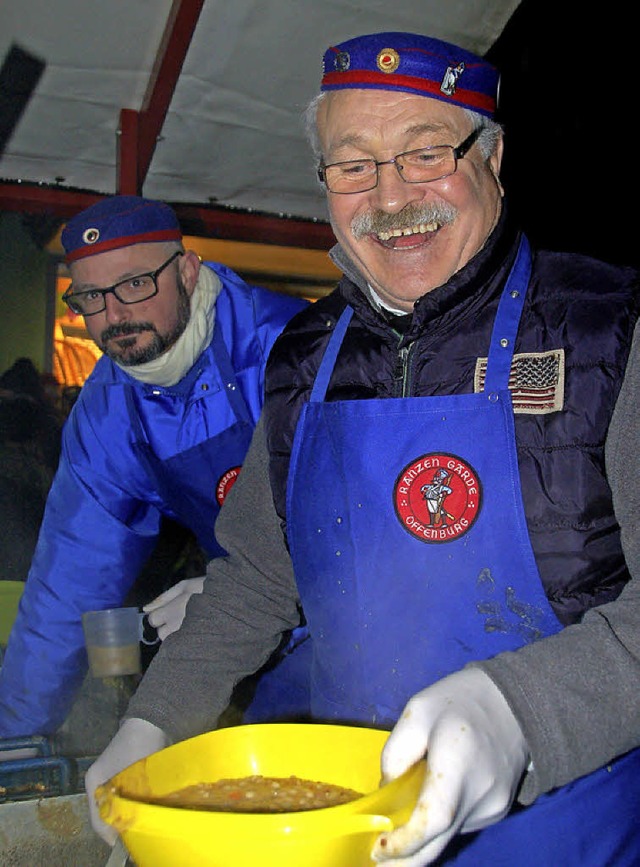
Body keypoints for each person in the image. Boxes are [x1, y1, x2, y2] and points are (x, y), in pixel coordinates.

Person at [86, 33, 640, 864]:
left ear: (492, 154)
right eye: (353, 166)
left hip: (569, 831)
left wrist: (521, 711)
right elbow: (253, 583)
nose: (390, 196)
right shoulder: (304, 359)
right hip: (345, 831)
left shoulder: (609, 327)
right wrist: (153, 722)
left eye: (424, 153)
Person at [0, 195, 307, 739]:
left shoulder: (291, 349)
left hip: (370, 639)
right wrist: (16, 742)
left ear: (186, 271)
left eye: (135, 284)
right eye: (92, 296)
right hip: (253, 653)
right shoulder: (108, 414)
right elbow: (67, 587)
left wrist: (231, 595)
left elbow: (368, 532)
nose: (115, 315)